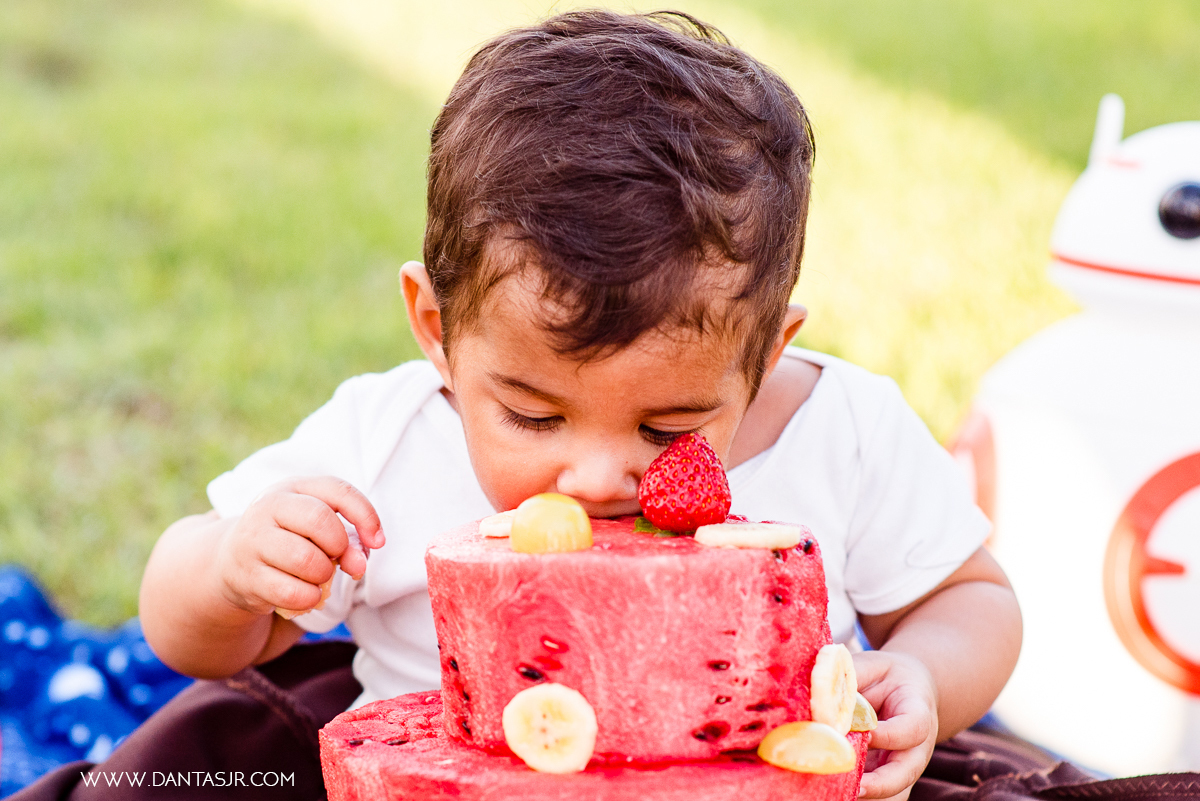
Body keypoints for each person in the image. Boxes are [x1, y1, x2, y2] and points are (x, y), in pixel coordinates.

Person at [19, 10, 1022, 801]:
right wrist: (233, 569)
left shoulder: (840, 429)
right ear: (436, 329)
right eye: (535, 417)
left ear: (766, 353)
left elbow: (971, 600)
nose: (594, 476)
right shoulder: (387, 436)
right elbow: (182, 630)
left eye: (669, 428)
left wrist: (928, 678)